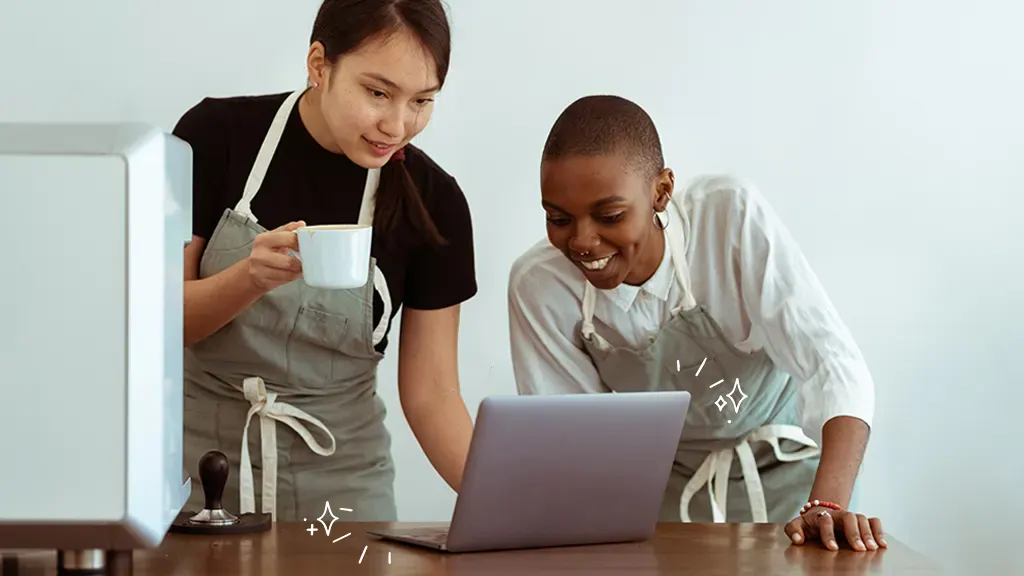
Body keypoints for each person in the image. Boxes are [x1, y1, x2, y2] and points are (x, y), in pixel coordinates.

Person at [507, 95, 886, 552]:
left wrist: (826, 504)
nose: (583, 242)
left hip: (796, 486)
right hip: (664, 496)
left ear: (661, 191)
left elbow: (834, 366)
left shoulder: (728, 218)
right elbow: (575, 445)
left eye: (609, 216)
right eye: (558, 218)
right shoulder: (540, 286)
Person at [173, 0, 477, 523]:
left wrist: (522, 509)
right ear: (319, 64)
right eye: (378, 93)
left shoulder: (436, 203)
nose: (398, 125)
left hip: (345, 496)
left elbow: (433, 395)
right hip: (199, 481)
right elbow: (159, 320)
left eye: (422, 101)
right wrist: (248, 278)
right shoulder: (215, 136)